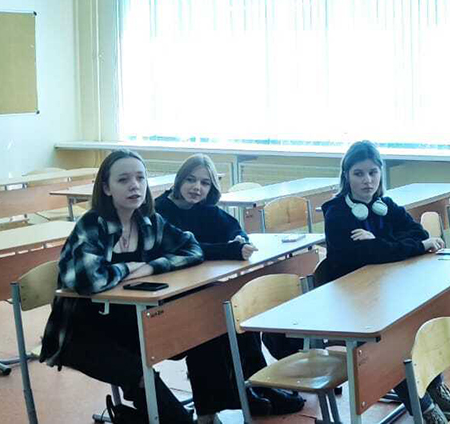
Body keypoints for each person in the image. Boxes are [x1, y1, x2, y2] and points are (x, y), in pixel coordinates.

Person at [39, 149, 204, 423]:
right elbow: (90, 280)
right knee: (139, 374)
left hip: (127, 325)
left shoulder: (148, 221)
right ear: (106, 188)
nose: (134, 186)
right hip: (80, 334)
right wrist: (128, 268)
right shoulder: (92, 225)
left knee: (201, 333)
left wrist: (151, 267)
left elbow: (192, 248)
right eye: (123, 179)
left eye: (140, 178)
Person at [319, 140, 450, 424]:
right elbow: (370, 255)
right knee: (394, 340)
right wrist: (400, 246)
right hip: (351, 302)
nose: (367, 180)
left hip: (385, 289)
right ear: (346, 176)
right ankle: (424, 408)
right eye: (359, 173)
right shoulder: (336, 213)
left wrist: (381, 241)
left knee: (422, 321)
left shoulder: (384, 205)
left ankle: (435, 387)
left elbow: (419, 234)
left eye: (373, 172)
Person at [155, 154, 305, 421]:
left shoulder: (204, 208)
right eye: (190, 180)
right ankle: (234, 397)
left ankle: (257, 385)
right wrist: (229, 250)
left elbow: (232, 228)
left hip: (200, 288)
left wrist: (239, 240)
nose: (196, 188)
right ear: (179, 181)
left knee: (239, 313)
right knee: (210, 325)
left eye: (204, 183)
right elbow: (186, 249)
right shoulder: (161, 210)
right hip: (169, 296)